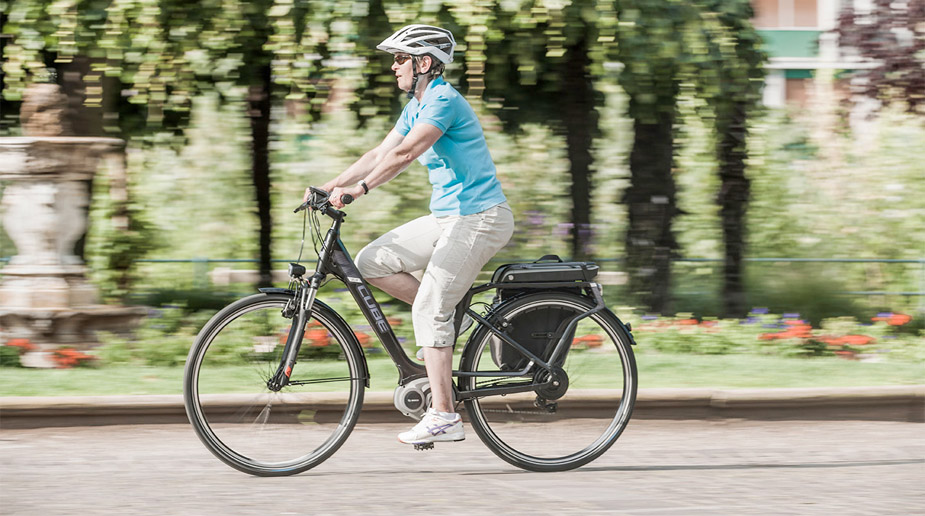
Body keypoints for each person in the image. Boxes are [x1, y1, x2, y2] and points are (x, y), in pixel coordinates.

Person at [305, 25, 514, 446]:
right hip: (449, 217)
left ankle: (444, 415)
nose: (394, 66)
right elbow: (380, 154)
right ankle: (443, 316)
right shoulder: (416, 105)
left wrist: (359, 191)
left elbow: (405, 155)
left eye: (400, 58)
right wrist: (330, 187)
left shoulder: (443, 100)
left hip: (480, 217)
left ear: (424, 63)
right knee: (371, 263)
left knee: (429, 309)